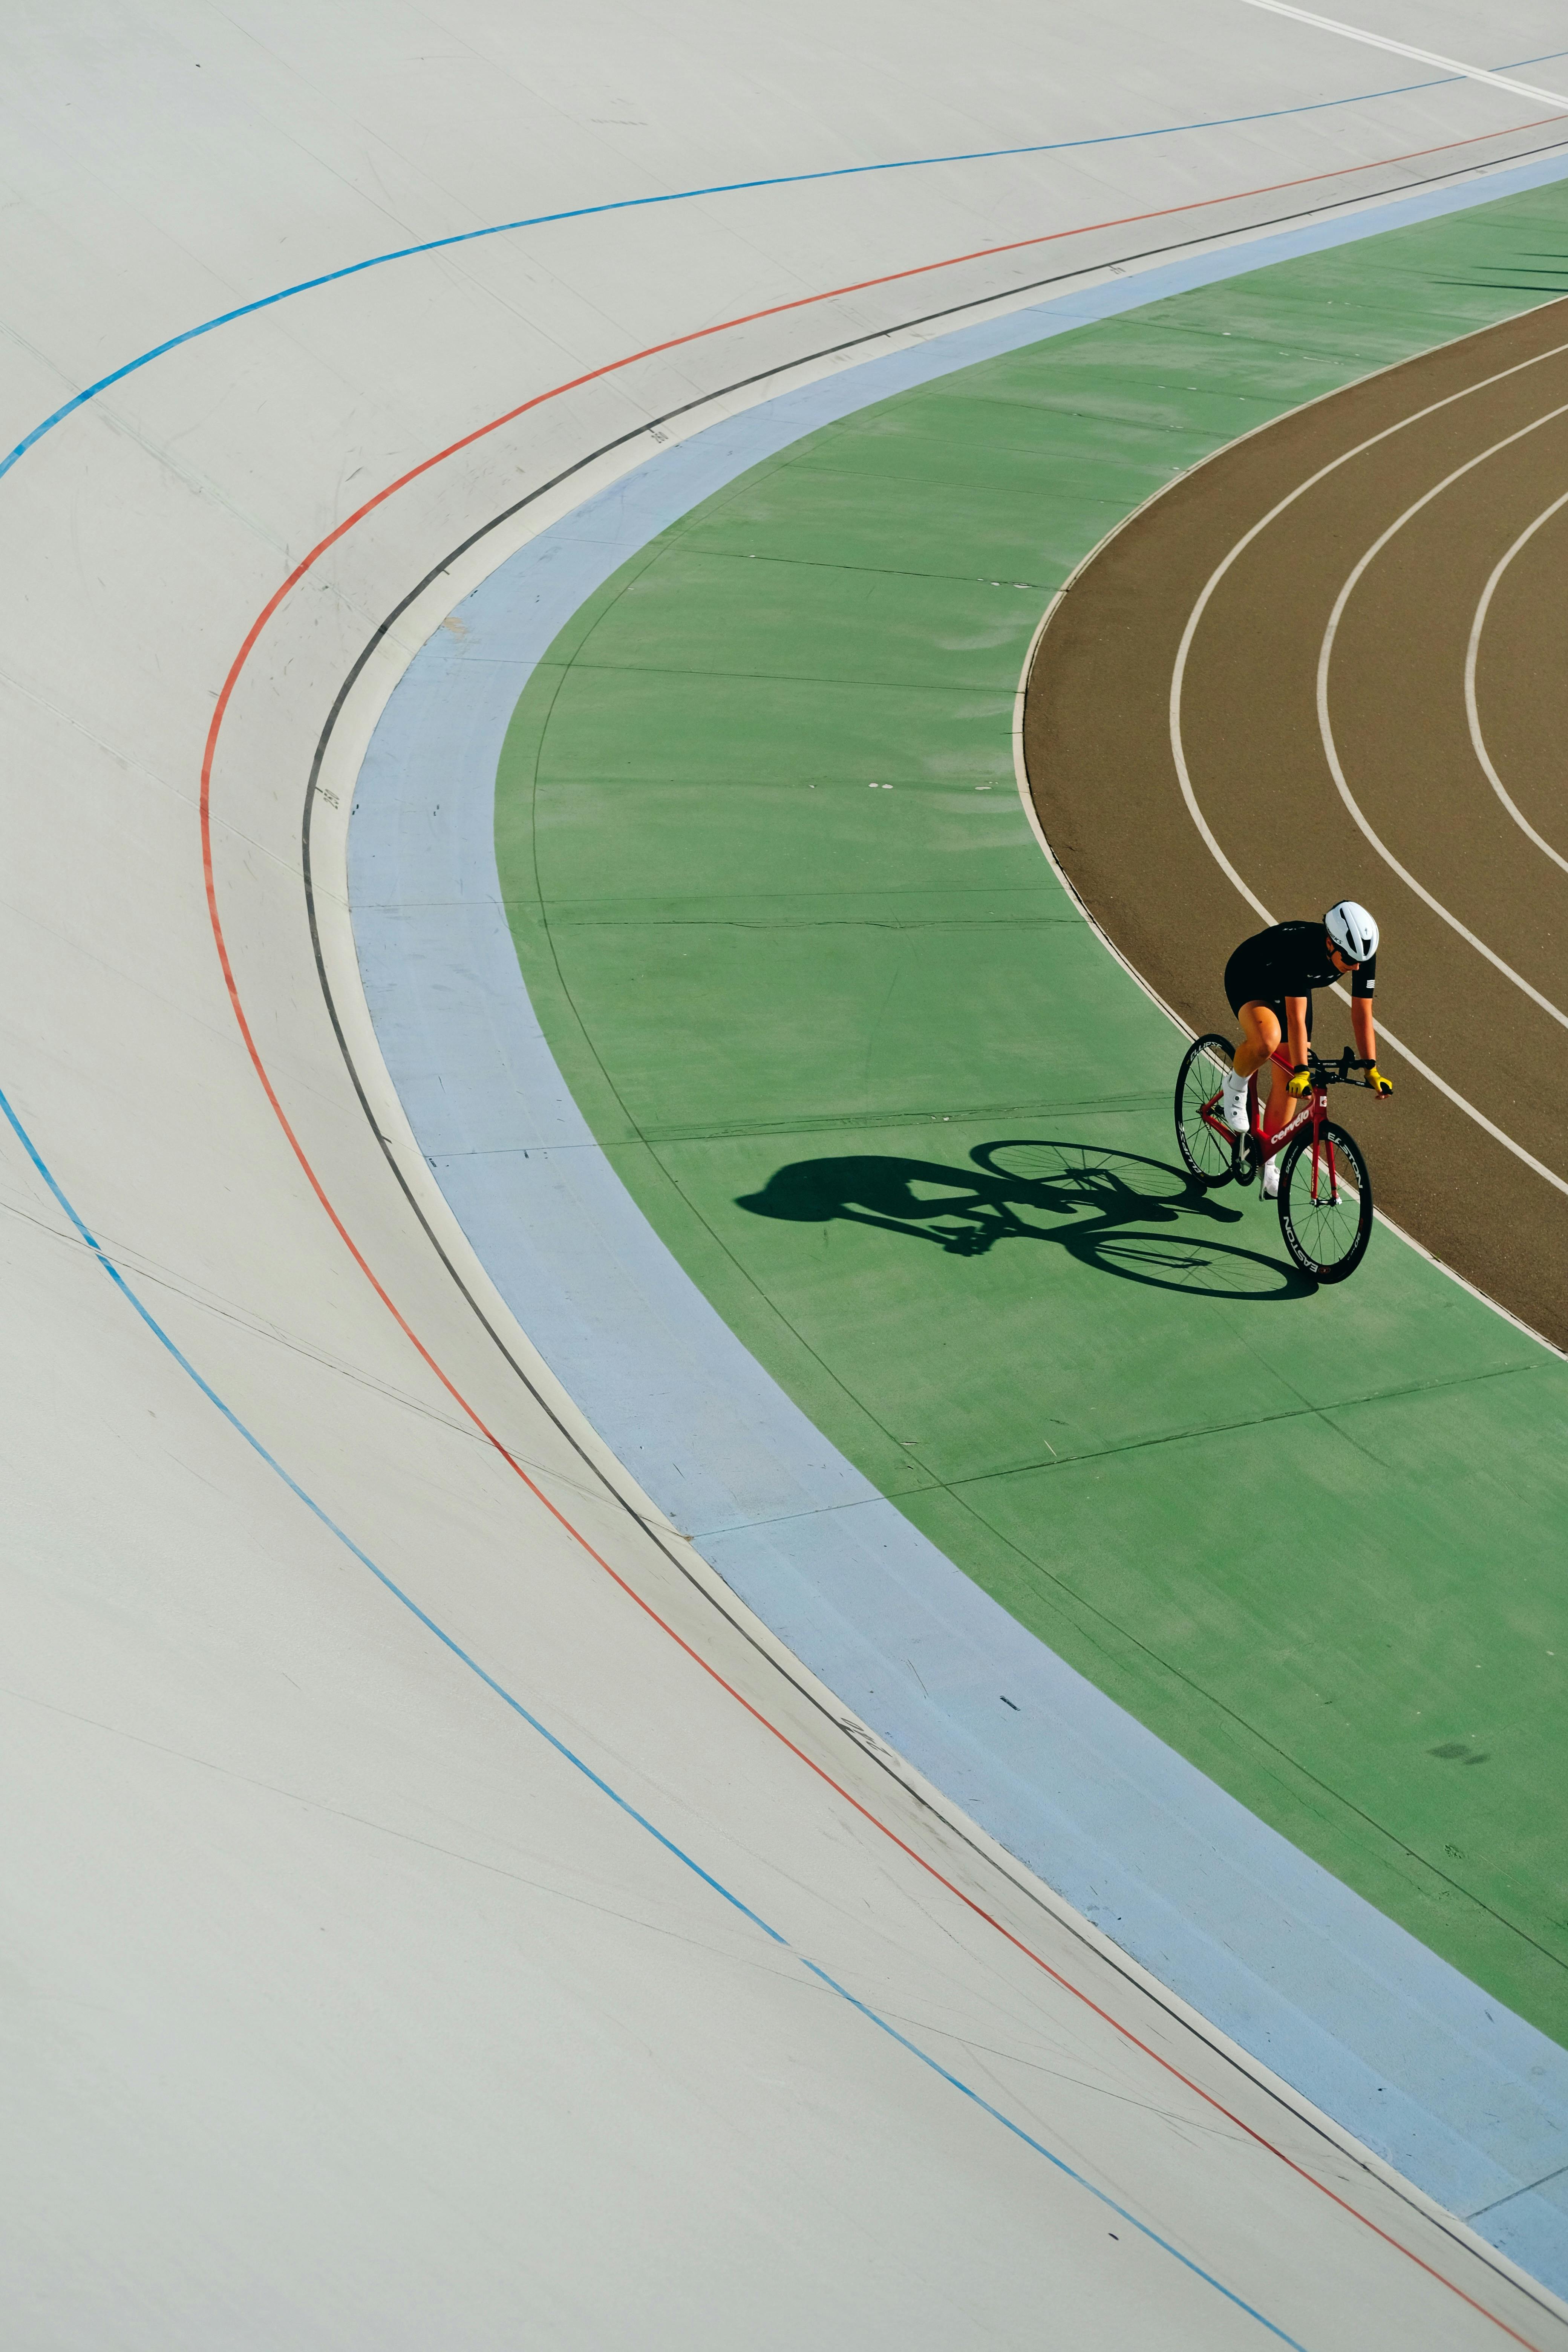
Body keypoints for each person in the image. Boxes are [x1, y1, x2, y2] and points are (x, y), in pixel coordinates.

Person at [1219, 902, 1393, 1197]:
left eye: (1362, 960)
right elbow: (1295, 1018)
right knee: (1267, 1042)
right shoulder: (1300, 949)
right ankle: (1235, 1085)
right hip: (1250, 975)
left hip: (1290, 988)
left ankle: (1268, 1162)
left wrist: (1371, 1068)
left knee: (1287, 1079)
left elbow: (1362, 1013)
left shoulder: (1361, 955)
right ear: (1330, 943)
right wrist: (1301, 1071)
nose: (1357, 967)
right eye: (1350, 959)